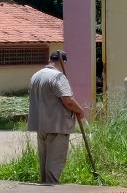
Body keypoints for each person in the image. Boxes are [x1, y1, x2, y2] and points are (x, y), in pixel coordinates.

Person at [27, 50, 87, 184]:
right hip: (57, 125)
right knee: (54, 162)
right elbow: (68, 101)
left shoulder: (36, 76)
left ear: (50, 60)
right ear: (63, 62)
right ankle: (52, 192)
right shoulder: (58, 77)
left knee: (44, 163)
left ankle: (44, 188)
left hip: (40, 125)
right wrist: (80, 110)